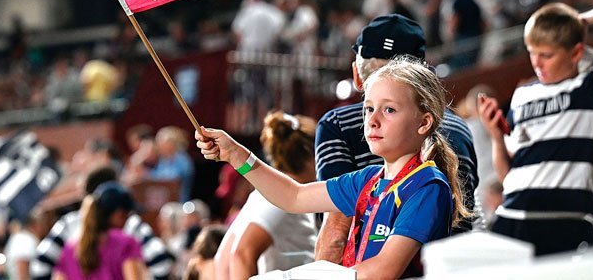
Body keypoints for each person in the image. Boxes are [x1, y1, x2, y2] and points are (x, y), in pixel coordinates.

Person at [198, 56, 470, 279]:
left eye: (389, 110)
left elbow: (383, 271)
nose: (373, 120)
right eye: (368, 109)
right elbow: (295, 196)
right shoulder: (369, 179)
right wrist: (237, 155)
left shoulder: (427, 186)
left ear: (423, 123)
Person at [314, 14, 478, 263]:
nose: (373, 121)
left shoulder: (337, 125)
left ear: (357, 75)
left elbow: (337, 231)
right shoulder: (459, 127)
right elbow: (463, 221)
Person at [478, 0, 593, 255]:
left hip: (564, 221)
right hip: (511, 216)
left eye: (547, 55)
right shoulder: (522, 94)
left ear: (576, 52)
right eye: (532, 52)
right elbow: (507, 175)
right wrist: (495, 136)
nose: (537, 63)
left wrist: (579, 21)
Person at [215, 112, 317, 279]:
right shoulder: (280, 201)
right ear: (310, 153)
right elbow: (241, 254)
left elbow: (222, 259)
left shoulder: (264, 195)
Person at [31, 166, 174, 280]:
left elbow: (39, 266)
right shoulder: (126, 240)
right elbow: (161, 263)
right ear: (119, 214)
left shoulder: (69, 243)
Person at [52, 182, 146, 280]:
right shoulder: (125, 243)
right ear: (119, 214)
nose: (127, 219)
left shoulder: (69, 250)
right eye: (127, 214)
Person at [6, 211, 48, 280]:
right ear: (36, 224)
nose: (45, 227)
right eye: (43, 223)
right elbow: (22, 264)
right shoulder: (26, 240)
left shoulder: (20, 237)